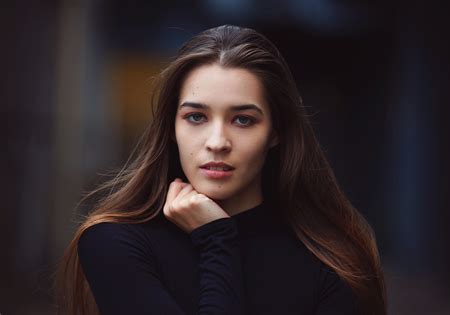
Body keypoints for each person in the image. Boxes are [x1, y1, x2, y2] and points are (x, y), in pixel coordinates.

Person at [55, 24, 387, 315]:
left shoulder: (332, 262)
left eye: (243, 120)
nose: (217, 142)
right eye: (196, 117)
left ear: (276, 132)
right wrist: (217, 240)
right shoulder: (116, 242)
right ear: (172, 126)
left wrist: (216, 238)